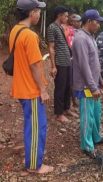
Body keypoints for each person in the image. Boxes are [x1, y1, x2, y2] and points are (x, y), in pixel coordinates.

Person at [11, 0, 53, 174]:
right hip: (31, 90)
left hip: (21, 86)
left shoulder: (15, 30)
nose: (39, 14)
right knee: (37, 127)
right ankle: (34, 165)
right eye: (38, 11)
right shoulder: (29, 35)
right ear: (31, 13)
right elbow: (36, 65)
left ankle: (31, 156)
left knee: (31, 124)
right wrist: (42, 90)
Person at [72, 9, 103, 157]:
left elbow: (95, 63)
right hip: (85, 86)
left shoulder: (91, 37)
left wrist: (100, 80)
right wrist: (93, 87)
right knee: (87, 116)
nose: (99, 25)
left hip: (94, 84)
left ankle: (95, 137)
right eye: (97, 22)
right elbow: (84, 65)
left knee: (96, 112)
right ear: (89, 22)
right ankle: (87, 146)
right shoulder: (81, 39)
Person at [47, 6, 78, 122]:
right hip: (60, 62)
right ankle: (59, 113)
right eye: (65, 15)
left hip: (67, 61)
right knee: (60, 88)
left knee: (67, 87)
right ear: (59, 15)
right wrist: (53, 66)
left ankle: (67, 108)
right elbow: (51, 48)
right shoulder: (52, 27)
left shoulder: (61, 27)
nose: (66, 17)